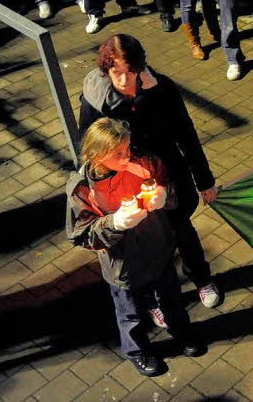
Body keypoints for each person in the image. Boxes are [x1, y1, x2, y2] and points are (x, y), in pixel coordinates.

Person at [78, 35, 222, 317]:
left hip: (168, 174)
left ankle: (202, 279)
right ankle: (155, 301)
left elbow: (186, 134)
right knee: (143, 243)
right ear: (105, 70)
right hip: (126, 182)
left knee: (181, 228)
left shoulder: (162, 88)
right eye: (115, 72)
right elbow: (88, 143)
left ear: (139, 67)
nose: (122, 79)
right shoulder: (96, 100)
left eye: (129, 71)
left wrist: (204, 180)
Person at [66, 117, 205, 377]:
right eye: (118, 153)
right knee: (130, 314)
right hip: (123, 262)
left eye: (128, 148)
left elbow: (168, 184)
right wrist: (115, 223)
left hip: (158, 246)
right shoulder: (83, 189)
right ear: (97, 155)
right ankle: (137, 351)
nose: (127, 156)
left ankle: (182, 333)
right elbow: (80, 234)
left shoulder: (144, 163)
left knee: (173, 299)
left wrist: (165, 194)